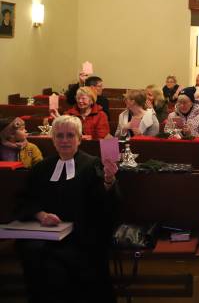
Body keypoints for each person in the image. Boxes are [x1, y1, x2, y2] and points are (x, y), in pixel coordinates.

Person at [16, 115, 118, 303]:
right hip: (46, 235)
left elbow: (104, 204)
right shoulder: (42, 168)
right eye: (59, 136)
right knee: (32, 252)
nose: (64, 141)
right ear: (53, 139)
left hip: (82, 235)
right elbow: (25, 200)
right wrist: (41, 215)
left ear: (79, 139)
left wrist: (109, 181)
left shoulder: (92, 164)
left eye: (70, 135)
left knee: (68, 261)